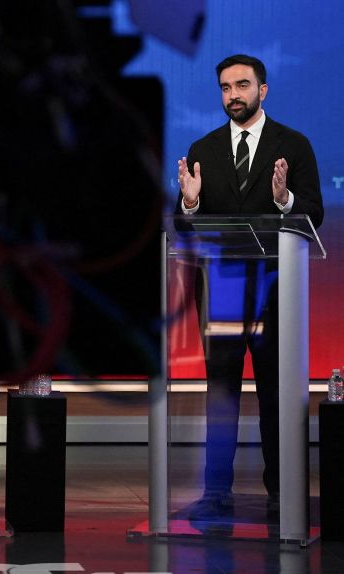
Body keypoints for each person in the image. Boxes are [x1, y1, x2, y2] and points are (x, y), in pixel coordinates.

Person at [176, 54, 323, 520]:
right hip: (220, 288)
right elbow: (182, 228)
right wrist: (190, 203)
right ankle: (215, 491)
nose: (232, 95)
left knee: (276, 391)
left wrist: (287, 202)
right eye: (225, 87)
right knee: (221, 391)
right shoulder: (203, 147)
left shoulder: (293, 145)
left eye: (242, 85)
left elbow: (314, 213)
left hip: (276, 288)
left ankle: (282, 492)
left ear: (263, 90)